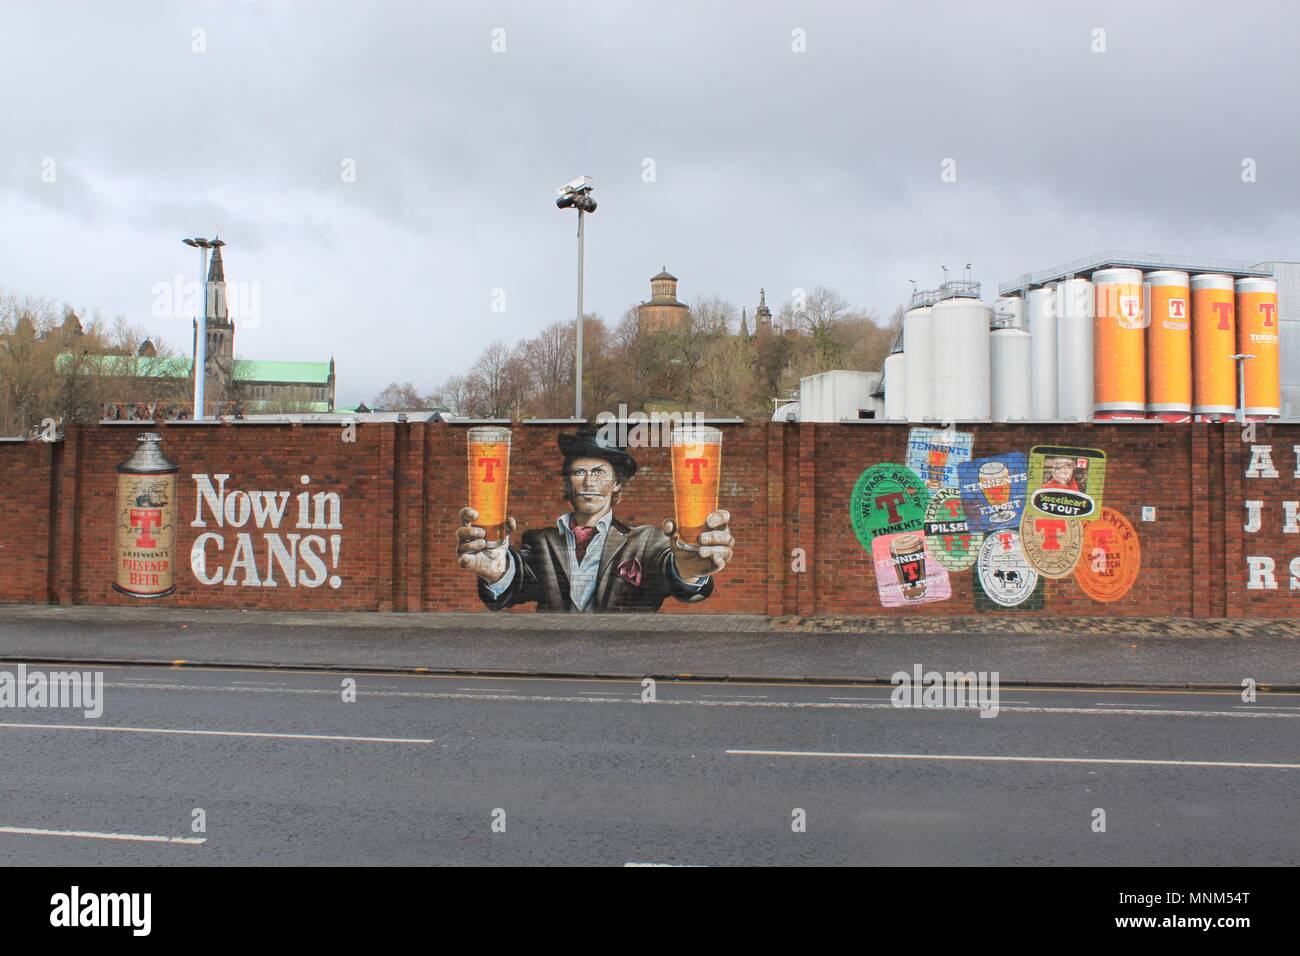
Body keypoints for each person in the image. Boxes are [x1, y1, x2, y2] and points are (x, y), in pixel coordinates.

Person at [456, 430, 736, 613]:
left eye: (600, 473)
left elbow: (671, 570)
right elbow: (517, 581)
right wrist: (495, 570)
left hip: (622, 659)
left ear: (617, 483)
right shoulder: (541, 542)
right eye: (579, 472)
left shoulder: (646, 540)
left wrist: (689, 571)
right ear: (567, 483)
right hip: (555, 662)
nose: (589, 482)